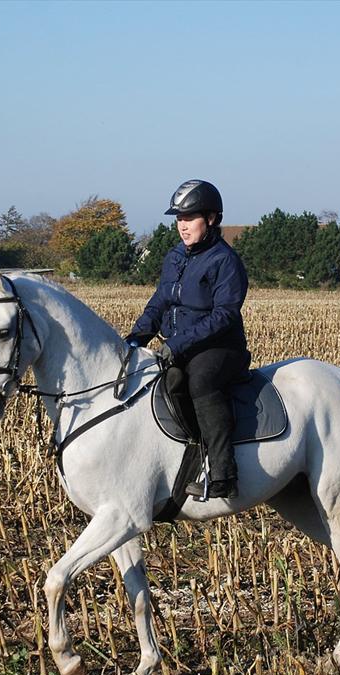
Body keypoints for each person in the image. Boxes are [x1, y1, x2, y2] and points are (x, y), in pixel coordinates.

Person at [125, 180, 250, 499]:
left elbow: (224, 315)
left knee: (200, 381)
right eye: (179, 219)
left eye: (189, 218)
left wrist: (176, 345)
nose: (182, 225)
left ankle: (223, 474)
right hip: (184, 345)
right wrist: (137, 337)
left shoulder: (225, 261)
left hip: (220, 347)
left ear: (211, 219)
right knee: (169, 380)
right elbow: (160, 301)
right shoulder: (175, 257)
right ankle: (186, 453)